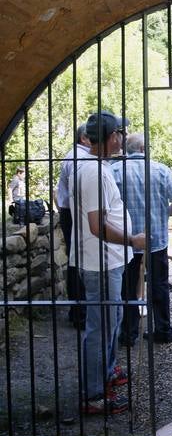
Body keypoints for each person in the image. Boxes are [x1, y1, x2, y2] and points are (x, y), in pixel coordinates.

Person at [70, 111, 145, 415]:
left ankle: (107, 372)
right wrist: (132, 240)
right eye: (120, 134)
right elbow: (96, 226)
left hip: (106, 260)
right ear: (112, 137)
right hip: (100, 262)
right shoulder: (94, 172)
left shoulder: (94, 167)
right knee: (100, 327)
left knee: (109, 322)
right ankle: (94, 396)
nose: (123, 139)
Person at [112, 132, 172, 347]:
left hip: (126, 241)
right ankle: (163, 329)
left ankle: (129, 333)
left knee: (127, 288)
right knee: (159, 285)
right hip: (156, 240)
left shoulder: (114, 170)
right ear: (143, 149)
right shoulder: (161, 170)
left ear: (128, 149)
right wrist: (166, 214)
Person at [55, 124, 91, 326]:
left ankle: (78, 310)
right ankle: (80, 312)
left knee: (75, 259)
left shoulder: (74, 155)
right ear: (84, 139)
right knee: (79, 260)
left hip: (70, 211)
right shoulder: (80, 157)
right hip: (76, 212)